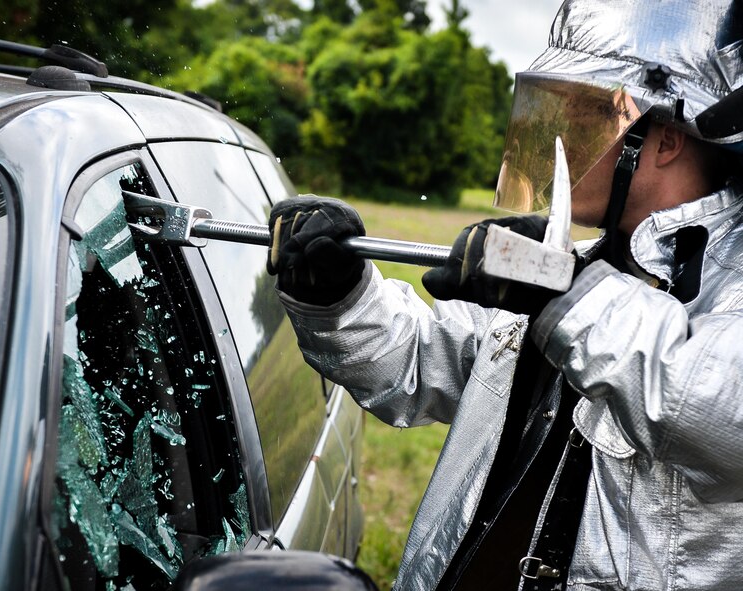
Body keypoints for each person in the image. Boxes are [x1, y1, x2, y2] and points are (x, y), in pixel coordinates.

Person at [266, 1, 743, 590]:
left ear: (663, 138)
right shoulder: (590, 266)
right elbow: (421, 361)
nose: (556, 133)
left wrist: (567, 298)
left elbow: (722, 409)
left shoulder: (718, 284)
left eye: (582, 112)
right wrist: (339, 298)